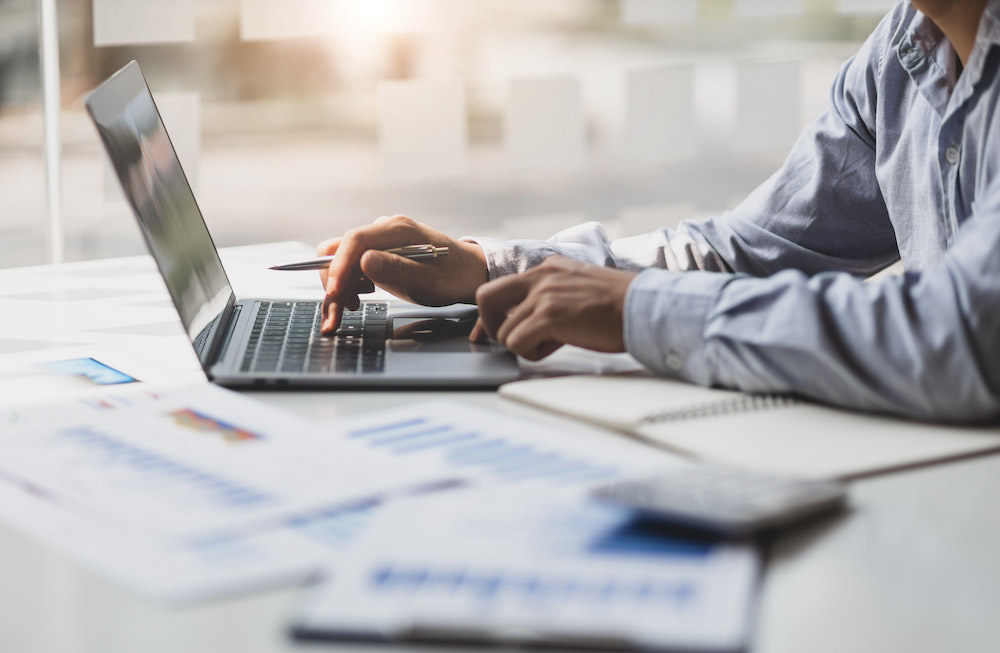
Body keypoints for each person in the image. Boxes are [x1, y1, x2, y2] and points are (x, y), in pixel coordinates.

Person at [316, 0, 1000, 423]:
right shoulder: (901, 53)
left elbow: (961, 338)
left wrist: (634, 309)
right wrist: (490, 268)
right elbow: (742, 253)